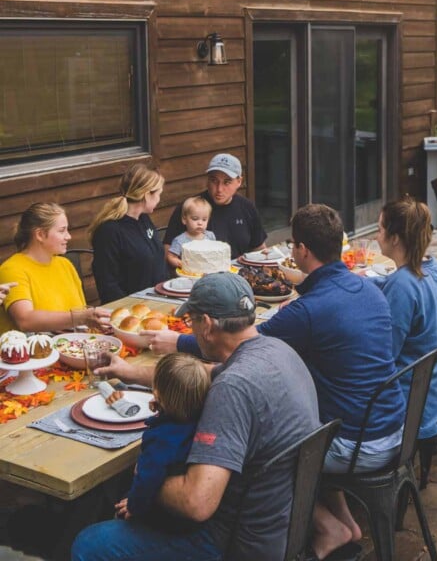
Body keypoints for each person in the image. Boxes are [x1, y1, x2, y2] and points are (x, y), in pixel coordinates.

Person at [161, 204, 405, 559]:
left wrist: (177, 341)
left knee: (273, 446)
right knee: (300, 418)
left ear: (302, 250)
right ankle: (345, 524)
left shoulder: (307, 311)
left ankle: (327, 529)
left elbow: (243, 339)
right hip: (392, 425)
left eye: (293, 245)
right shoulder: (368, 288)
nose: (291, 251)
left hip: (357, 443)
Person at [72, 272, 320, 561]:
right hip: (285, 523)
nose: (190, 329)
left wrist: (145, 476)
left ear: (208, 325)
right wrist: (128, 372)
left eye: (191, 321)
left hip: (237, 544)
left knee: (89, 543)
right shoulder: (277, 350)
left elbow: (196, 503)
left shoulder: (233, 388)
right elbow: (200, 374)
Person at [374, 196, 437, 438]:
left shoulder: (402, 286)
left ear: (395, 238)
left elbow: (385, 355)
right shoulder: (434, 268)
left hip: (415, 408)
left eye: (380, 229)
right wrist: (364, 281)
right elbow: (396, 283)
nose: (376, 236)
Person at [115, 353, 210, 528]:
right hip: (189, 513)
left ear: (157, 393)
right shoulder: (200, 419)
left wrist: (134, 506)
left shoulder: (161, 438)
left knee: (118, 498)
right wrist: (162, 405)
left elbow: (147, 477)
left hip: (167, 518)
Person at [0, 203, 110, 334]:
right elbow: (25, 321)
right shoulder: (12, 269)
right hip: (36, 352)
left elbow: (81, 314)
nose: (68, 236)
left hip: (74, 347)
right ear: (40, 235)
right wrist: (80, 318)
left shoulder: (65, 264)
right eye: (62, 230)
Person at [163, 153, 267, 262]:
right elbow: (167, 253)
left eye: (227, 182)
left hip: (239, 272)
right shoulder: (189, 208)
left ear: (239, 182)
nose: (219, 189)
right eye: (214, 181)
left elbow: (259, 248)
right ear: (207, 180)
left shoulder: (247, 208)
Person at [89, 163, 168, 304]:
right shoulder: (109, 231)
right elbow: (108, 285)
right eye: (158, 194)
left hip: (157, 304)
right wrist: (130, 310)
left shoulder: (144, 219)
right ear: (147, 195)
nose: (159, 199)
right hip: (129, 314)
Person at [167, 196, 216, 268]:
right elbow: (171, 257)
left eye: (204, 219)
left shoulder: (210, 236)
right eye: (195, 219)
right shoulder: (180, 240)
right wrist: (181, 264)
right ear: (184, 219)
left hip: (208, 271)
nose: (200, 223)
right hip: (189, 274)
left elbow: (215, 253)